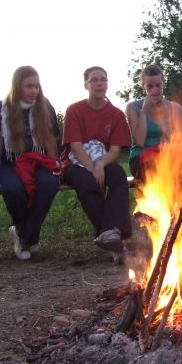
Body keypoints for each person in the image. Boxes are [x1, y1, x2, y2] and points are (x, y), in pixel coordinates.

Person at [61, 66, 132, 261]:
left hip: (103, 160)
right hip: (75, 163)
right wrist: (92, 168)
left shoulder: (116, 114)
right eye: (94, 80)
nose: (100, 83)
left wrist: (100, 165)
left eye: (104, 79)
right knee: (85, 181)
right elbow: (75, 146)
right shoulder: (74, 110)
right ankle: (114, 238)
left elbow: (115, 151)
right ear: (86, 85)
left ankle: (110, 236)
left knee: (118, 175)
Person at [0, 66, 61, 260]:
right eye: (29, 86)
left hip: (39, 160)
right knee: (13, 189)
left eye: (37, 86)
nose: (34, 91)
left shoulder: (44, 106)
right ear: (17, 86)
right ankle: (28, 236)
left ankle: (23, 235)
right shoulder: (0, 108)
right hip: (10, 162)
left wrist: (55, 164)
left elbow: (49, 140)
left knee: (49, 183)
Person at [126, 64, 182, 180]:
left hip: (168, 156)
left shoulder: (175, 108)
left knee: (178, 170)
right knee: (159, 170)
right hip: (141, 158)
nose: (155, 90)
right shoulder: (133, 107)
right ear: (143, 87)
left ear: (163, 83)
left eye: (158, 85)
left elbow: (180, 142)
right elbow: (139, 142)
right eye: (150, 86)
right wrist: (143, 111)